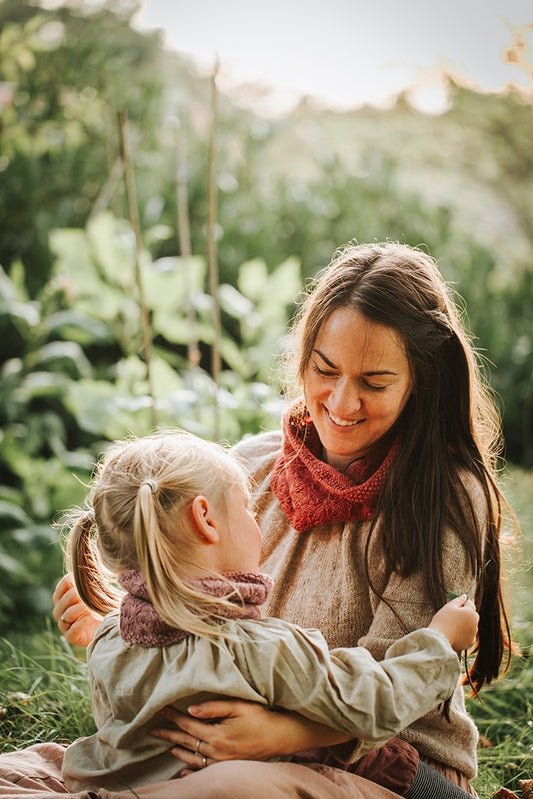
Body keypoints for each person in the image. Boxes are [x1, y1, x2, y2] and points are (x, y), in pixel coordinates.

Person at [50, 240, 515, 796]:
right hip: (230, 750)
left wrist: (277, 734)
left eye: (374, 383)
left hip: (390, 763)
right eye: (325, 370)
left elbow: (389, 691)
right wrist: (122, 622)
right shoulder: (248, 467)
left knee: (233, 787)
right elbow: (196, 621)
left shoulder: (440, 498)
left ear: (422, 378)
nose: (341, 403)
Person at [54, 429, 476, 798]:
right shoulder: (257, 649)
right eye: (246, 508)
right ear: (205, 519)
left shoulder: (108, 639)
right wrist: (440, 642)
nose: (257, 521)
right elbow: (374, 702)